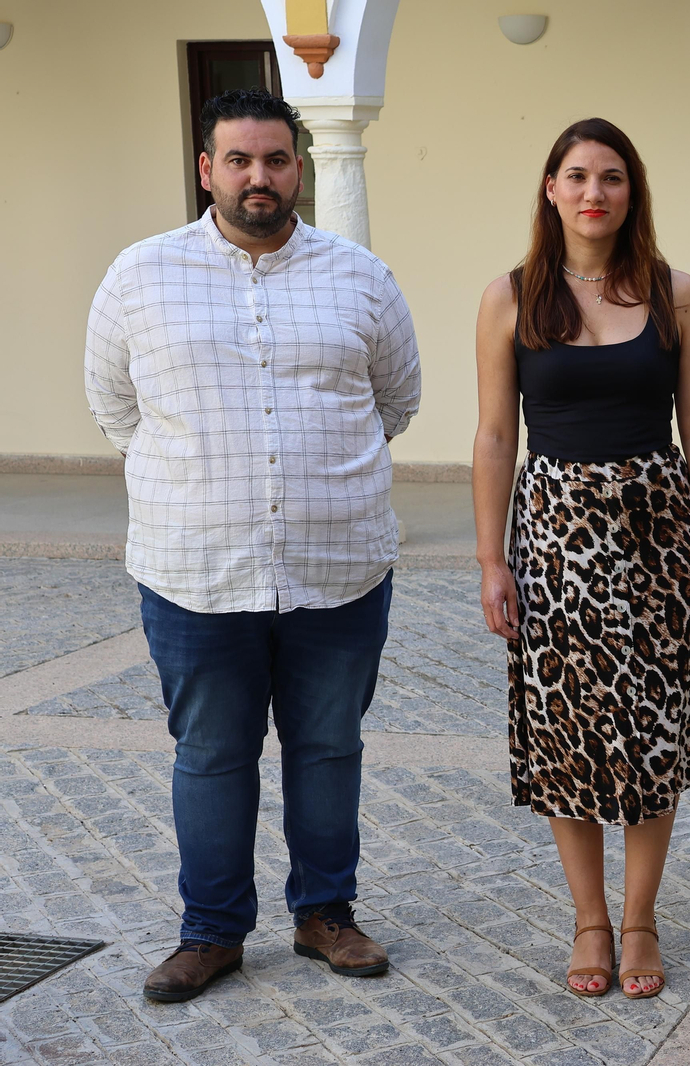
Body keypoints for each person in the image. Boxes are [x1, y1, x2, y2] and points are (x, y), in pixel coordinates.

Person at [84, 88, 421, 1003]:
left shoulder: (359, 275)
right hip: (194, 572)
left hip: (338, 567)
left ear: (298, 167)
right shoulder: (139, 275)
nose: (258, 177)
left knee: (327, 747)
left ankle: (325, 916)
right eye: (238, 160)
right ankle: (212, 933)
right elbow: (116, 408)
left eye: (275, 159)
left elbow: (396, 401)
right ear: (207, 170)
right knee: (210, 753)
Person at [472, 117, 690, 1001]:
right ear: (551, 189)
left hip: (658, 533)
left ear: (633, 190)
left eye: (612, 176)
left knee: (654, 728)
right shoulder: (509, 297)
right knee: (565, 731)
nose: (595, 192)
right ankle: (589, 919)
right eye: (577, 175)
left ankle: (640, 918)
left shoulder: (677, 292)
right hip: (553, 537)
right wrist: (490, 559)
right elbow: (494, 435)